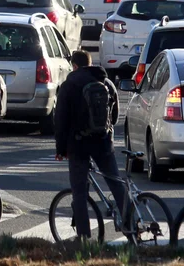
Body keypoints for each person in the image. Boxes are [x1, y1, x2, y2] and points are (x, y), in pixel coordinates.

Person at [54, 50, 124, 240]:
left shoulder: (69, 85)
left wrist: (61, 148)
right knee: (116, 182)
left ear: (75, 66)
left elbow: (60, 120)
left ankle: (84, 237)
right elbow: (115, 116)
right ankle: (132, 224)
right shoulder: (106, 82)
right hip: (103, 142)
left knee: (79, 192)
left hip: (78, 145)